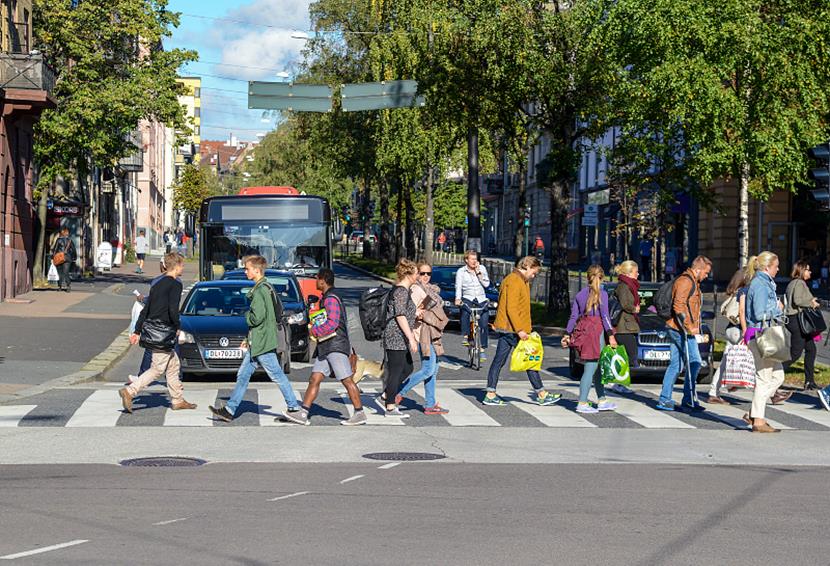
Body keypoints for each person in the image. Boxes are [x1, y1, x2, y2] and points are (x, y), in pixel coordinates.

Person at [208, 255, 302, 423]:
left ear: (257, 270)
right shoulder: (267, 287)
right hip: (258, 341)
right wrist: (248, 337)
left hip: (262, 343)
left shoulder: (260, 290)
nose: (245, 271)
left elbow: (257, 318)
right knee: (243, 375)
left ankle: (294, 407)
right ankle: (229, 410)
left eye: (248, 269)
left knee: (277, 375)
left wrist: (246, 316)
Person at [119, 252, 196, 413]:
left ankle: (177, 400)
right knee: (157, 369)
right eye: (182, 265)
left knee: (173, 365)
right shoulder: (175, 284)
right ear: (176, 266)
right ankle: (130, 391)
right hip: (164, 331)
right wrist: (177, 326)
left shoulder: (157, 283)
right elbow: (173, 309)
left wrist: (137, 330)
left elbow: (145, 309)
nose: (183, 268)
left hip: (152, 329)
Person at [289, 268, 367, 426]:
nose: (315, 282)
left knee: (347, 380)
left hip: (335, 346)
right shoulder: (328, 297)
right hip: (327, 346)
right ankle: (303, 413)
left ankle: (359, 413)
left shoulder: (331, 298)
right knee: (314, 379)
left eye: (317, 279)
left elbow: (332, 323)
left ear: (323, 280)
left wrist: (314, 330)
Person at [484, 256, 561, 406]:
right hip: (512, 329)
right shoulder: (514, 281)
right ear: (527, 266)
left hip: (509, 328)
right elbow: (511, 308)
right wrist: (520, 330)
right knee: (529, 359)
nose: (534, 276)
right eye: (534, 272)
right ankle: (541, 394)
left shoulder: (518, 280)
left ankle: (491, 393)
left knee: (502, 360)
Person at [656, 255, 713, 412]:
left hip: (678, 328)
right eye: (706, 272)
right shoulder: (685, 281)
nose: (707, 276)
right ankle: (688, 399)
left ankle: (665, 399)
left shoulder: (692, 281)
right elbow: (678, 306)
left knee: (676, 364)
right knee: (695, 361)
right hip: (680, 329)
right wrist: (689, 327)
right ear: (698, 269)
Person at [562, 265, 618, 413]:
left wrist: (567, 333)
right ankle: (582, 402)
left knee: (597, 367)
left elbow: (574, 316)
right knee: (591, 367)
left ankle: (602, 399)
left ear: (587, 277)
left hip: (584, 331)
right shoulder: (603, 295)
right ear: (602, 277)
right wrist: (611, 336)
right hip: (596, 333)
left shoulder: (580, 294)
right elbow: (605, 317)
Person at [396, 261, 450, 415]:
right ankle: (399, 392)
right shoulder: (415, 289)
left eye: (428, 273)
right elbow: (409, 311)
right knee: (427, 370)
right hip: (422, 334)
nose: (425, 276)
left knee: (433, 370)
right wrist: (418, 314)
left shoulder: (430, 289)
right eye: (422, 273)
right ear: (417, 274)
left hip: (432, 333)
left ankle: (430, 404)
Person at [744, 252, 786, 433]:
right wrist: (778, 309)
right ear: (767, 267)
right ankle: (758, 421)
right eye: (776, 266)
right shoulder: (760, 284)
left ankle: (754, 411)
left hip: (765, 334)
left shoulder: (764, 282)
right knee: (763, 378)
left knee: (778, 376)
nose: (778, 269)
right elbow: (759, 313)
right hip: (761, 335)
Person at [375, 259, 421, 417]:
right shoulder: (401, 291)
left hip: (400, 335)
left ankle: (388, 393)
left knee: (408, 368)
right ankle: (390, 406)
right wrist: (411, 338)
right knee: (396, 371)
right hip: (396, 335)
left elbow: (403, 312)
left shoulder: (404, 291)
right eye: (417, 273)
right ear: (409, 274)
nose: (419, 276)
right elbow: (400, 315)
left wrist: (414, 314)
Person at [706, 268, 749, 404]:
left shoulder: (735, 292)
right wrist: (746, 331)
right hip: (740, 330)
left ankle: (714, 391)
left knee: (725, 361)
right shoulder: (745, 292)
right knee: (756, 360)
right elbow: (743, 313)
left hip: (730, 330)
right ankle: (772, 392)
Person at [783, 260, 820, 391]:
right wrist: (811, 303)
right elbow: (798, 300)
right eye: (808, 270)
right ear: (801, 270)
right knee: (795, 353)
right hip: (797, 321)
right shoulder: (799, 283)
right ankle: (775, 372)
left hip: (795, 320)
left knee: (811, 349)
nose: (810, 272)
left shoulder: (794, 283)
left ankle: (809, 381)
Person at [455, 250, 490, 360]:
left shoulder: (482, 269)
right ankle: (466, 336)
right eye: (472, 259)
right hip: (468, 297)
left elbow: (487, 284)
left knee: (484, 322)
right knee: (465, 312)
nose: (475, 261)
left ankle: (482, 349)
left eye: (476, 259)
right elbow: (458, 286)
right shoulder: (461, 271)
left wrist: (479, 273)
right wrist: (457, 298)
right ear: (466, 260)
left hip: (480, 297)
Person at [613, 260, 640, 374]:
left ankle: (620, 383)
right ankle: (619, 383)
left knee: (630, 357)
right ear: (628, 273)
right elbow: (625, 303)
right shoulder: (624, 286)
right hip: (624, 327)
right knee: (630, 357)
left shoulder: (630, 285)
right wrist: (634, 309)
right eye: (636, 272)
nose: (638, 274)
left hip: (628, 327)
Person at [51, 227, 76, 293]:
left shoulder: (59, 240)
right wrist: (74, 258)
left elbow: (55, 249)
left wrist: (52, 257)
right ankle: (68, 286)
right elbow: (73, 250)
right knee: (66, 272)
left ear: (62, 233)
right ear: (67, 233)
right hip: (67, 258)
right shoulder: (70, 241)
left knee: (59, 272)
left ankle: (59, 287)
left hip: (59, 257)